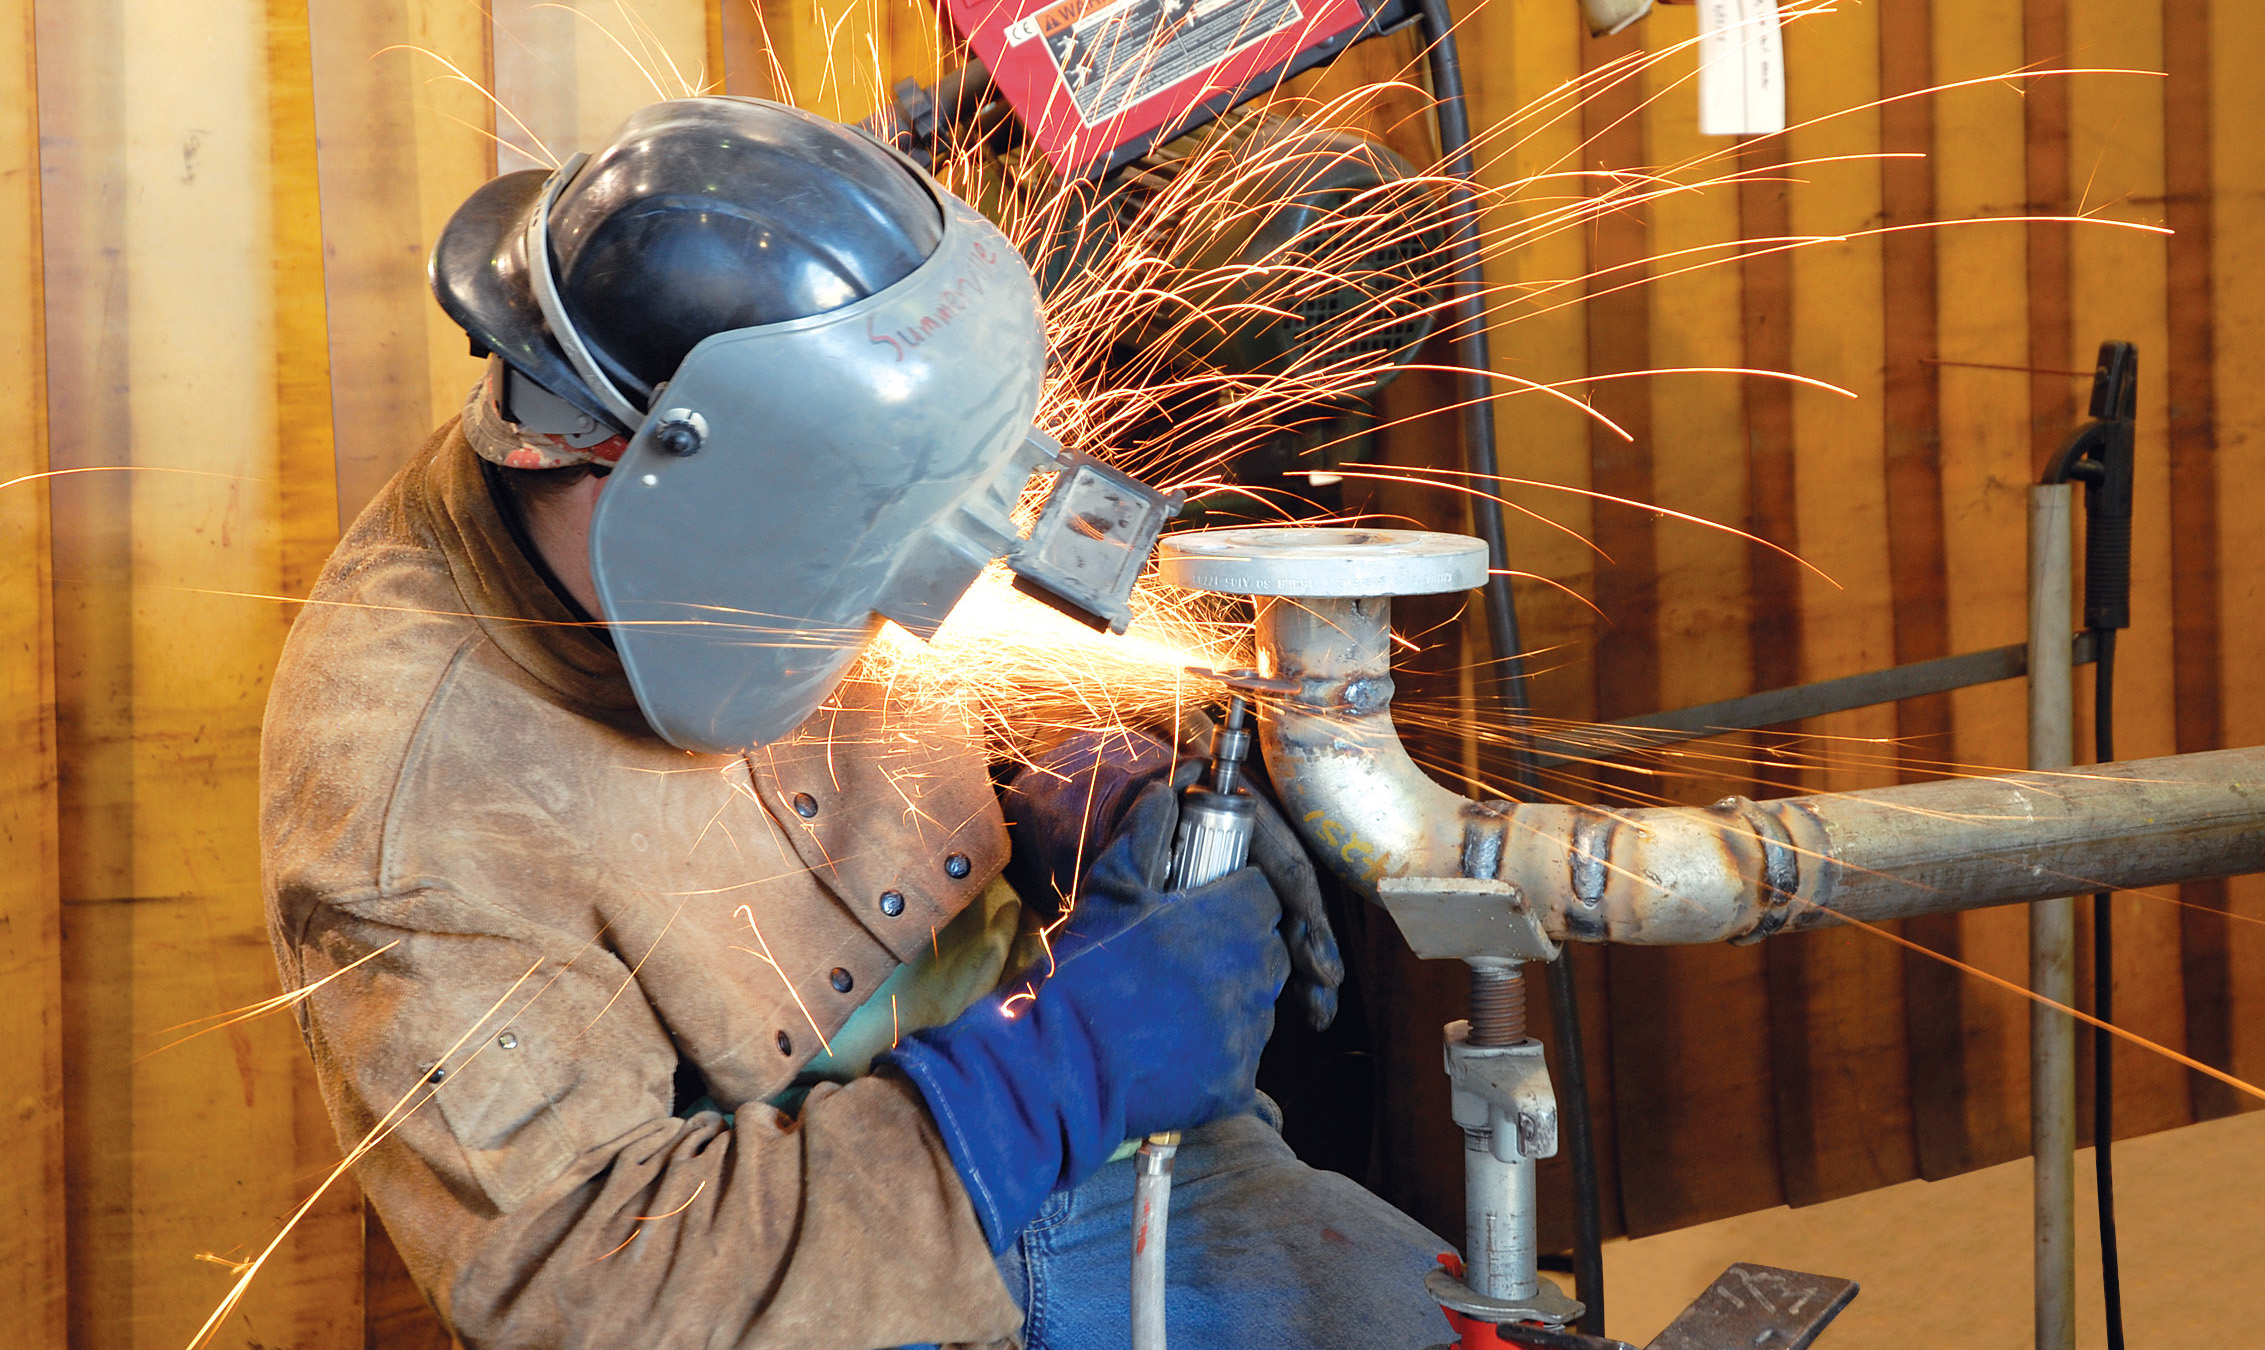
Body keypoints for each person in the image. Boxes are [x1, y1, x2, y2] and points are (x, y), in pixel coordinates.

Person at [259, 94, 1454, 1349]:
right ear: (646, 472)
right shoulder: (410, 798)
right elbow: (590, 1287)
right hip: (816, 1269)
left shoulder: (793, 434)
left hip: (1069, 1112)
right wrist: (1053, 1080)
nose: (897, 607)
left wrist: (1073, 785)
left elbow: (938, 654)